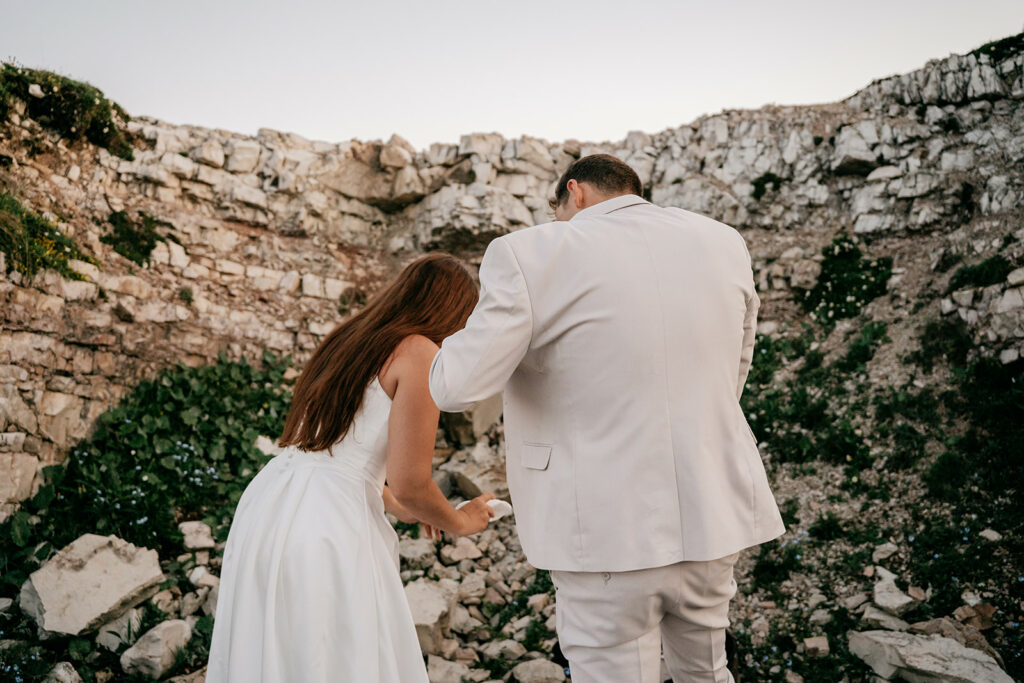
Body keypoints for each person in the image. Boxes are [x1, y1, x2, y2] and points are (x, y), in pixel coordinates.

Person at [429, 154, 785, 683]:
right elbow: (734, 369)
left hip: (600, 528)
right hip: (710, 513)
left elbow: (457, 387)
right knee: (706, 671)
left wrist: (418, 342)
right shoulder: (722, 241)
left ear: (575, 193)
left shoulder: (530, 252)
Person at [206, 253, 497, 683]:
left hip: (269, 505)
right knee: (334, 654)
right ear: (453, 315)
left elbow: (339, 452)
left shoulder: (348, 338)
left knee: (279, 650)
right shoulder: (420, 352)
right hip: (328, 526)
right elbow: (411, 481)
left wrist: (401, 508)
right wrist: (461, 520)